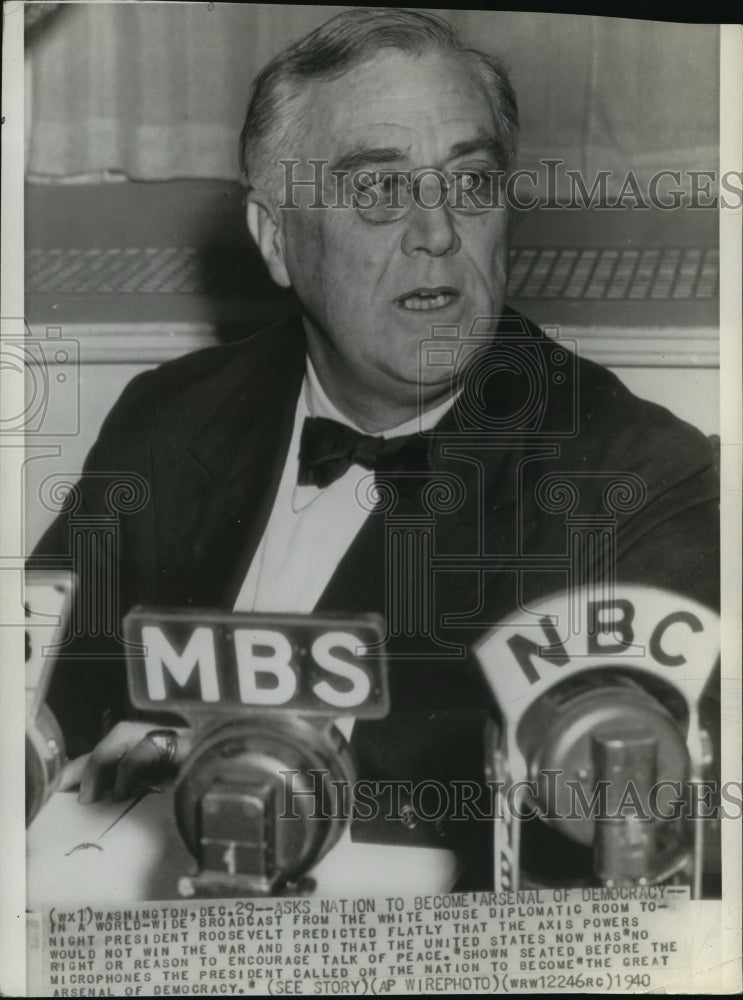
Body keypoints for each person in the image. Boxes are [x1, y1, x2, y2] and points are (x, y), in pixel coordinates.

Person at [31, 9, 719, 888]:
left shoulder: (633, 476)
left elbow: (664, 829)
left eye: (469, 183)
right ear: (276, 238)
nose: (436, 232)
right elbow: (39, 691)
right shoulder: (169, 417)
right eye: (379, 190)